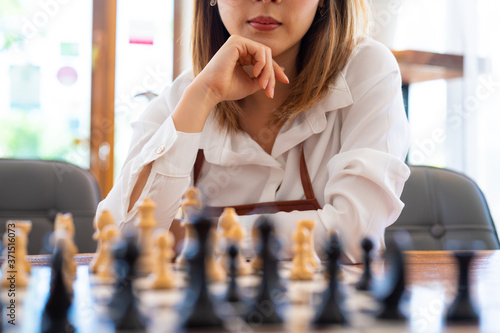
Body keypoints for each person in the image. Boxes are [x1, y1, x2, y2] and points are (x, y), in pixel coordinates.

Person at [96, 0, 411, 262]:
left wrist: (194, 237)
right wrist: (201, 97)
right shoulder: (186, 94)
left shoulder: (368, 69)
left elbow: (355, 235)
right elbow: (120, 241)